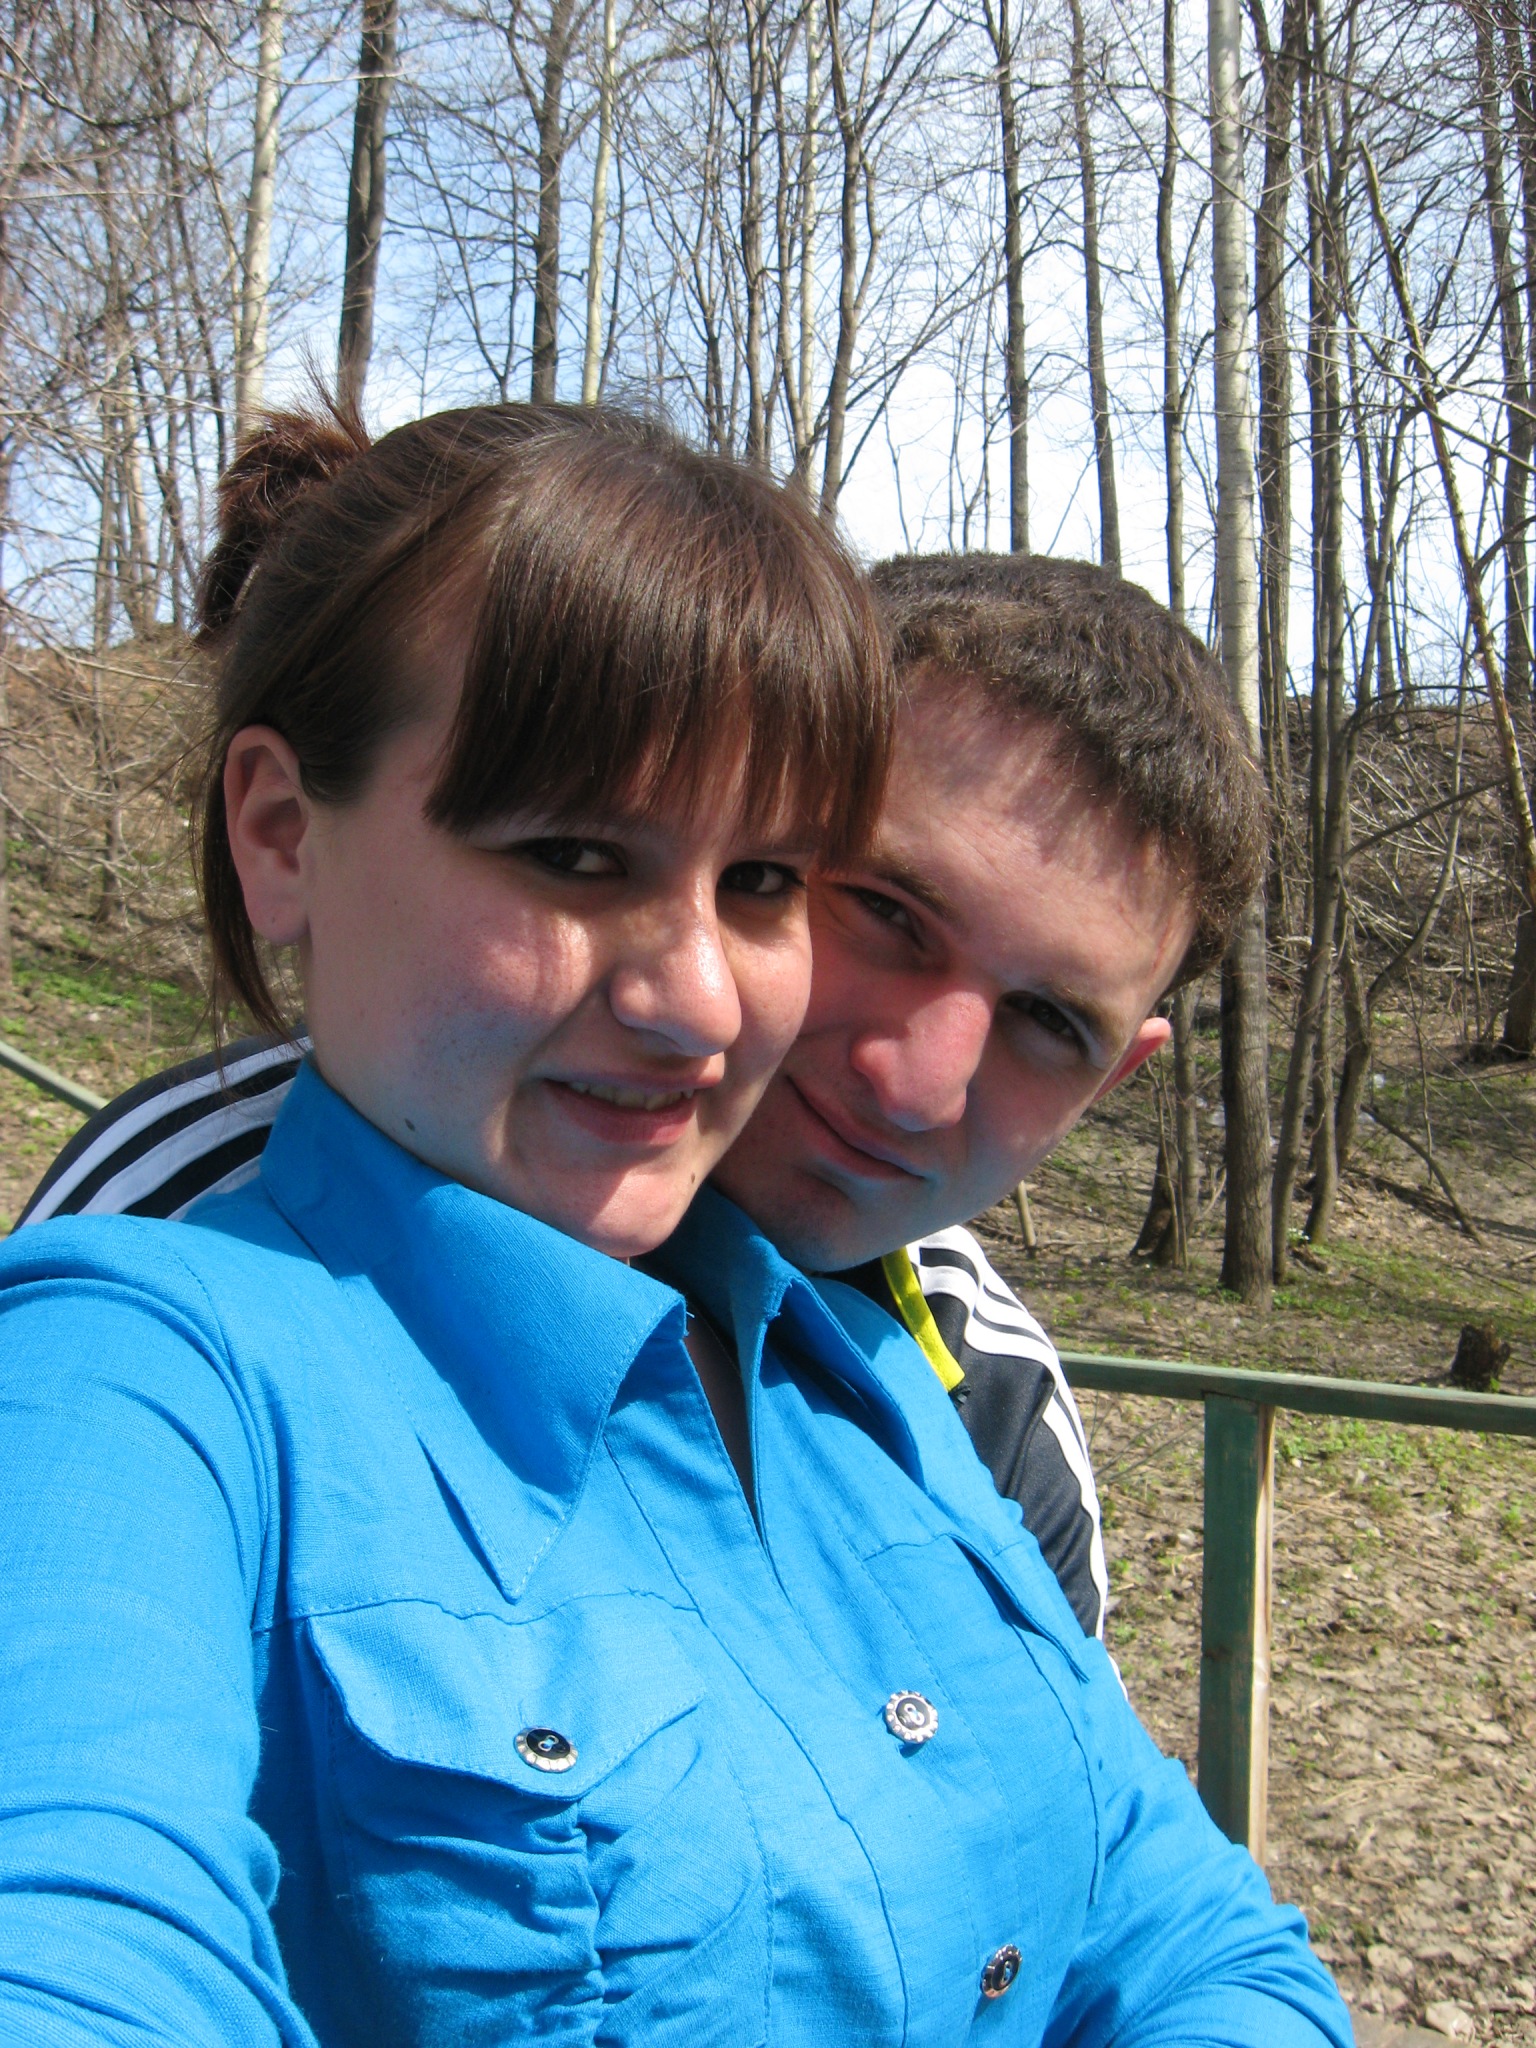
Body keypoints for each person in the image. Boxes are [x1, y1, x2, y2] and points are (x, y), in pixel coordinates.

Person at [19, 555, 1264, 1647]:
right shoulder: (205, 1212)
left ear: (1117, 1076)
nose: (913, 1083)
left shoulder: (996, 1412)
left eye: (1048, 1022)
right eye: (883, 911)